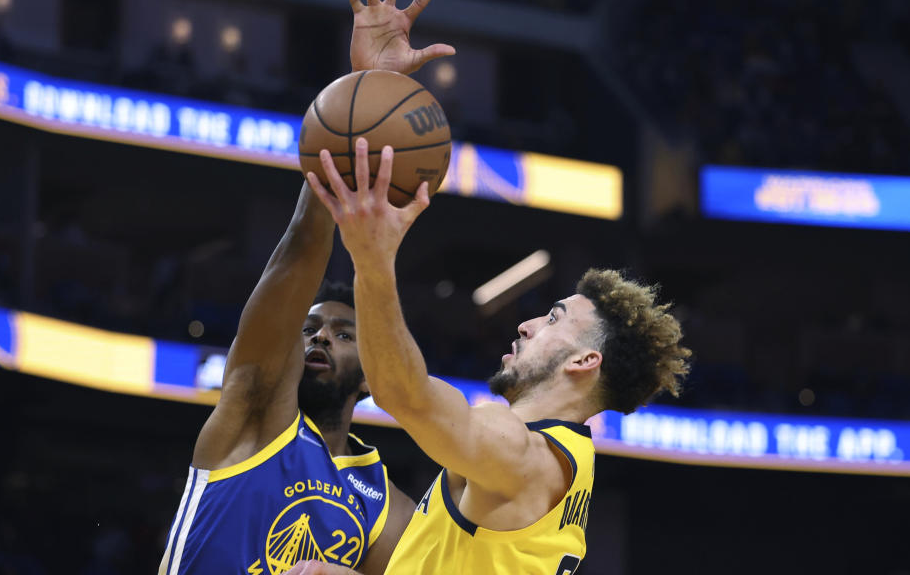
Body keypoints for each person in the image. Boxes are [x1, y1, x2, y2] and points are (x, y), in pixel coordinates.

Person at [158, 0, 455, 575]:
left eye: (344, 333)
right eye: (312, 327)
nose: (319, 334)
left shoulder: (386, 506)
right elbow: (295, 258)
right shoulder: (253, 409)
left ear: (374, 375)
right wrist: (358, 110)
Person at [294, 141, 692, 574]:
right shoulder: (564, 462)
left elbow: (401, 394)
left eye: (554, 320)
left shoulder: (520, 449)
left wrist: (372, 257)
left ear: (584, 362)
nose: (527, 325)